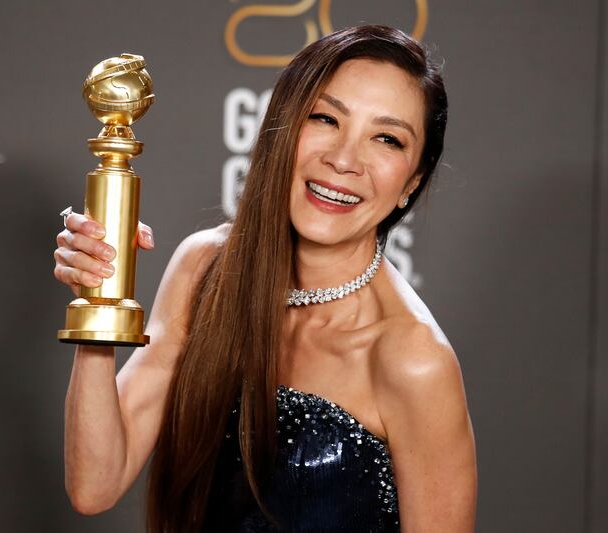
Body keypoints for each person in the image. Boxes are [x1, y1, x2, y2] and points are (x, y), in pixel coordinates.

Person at [54, 25, 476, 532]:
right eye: (325, 118)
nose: (343, 160)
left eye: (386, 139)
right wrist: (100, 301)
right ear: (281, 126)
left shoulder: (413, 360)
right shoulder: (206, 270)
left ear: (411, 182)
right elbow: (94, 484)